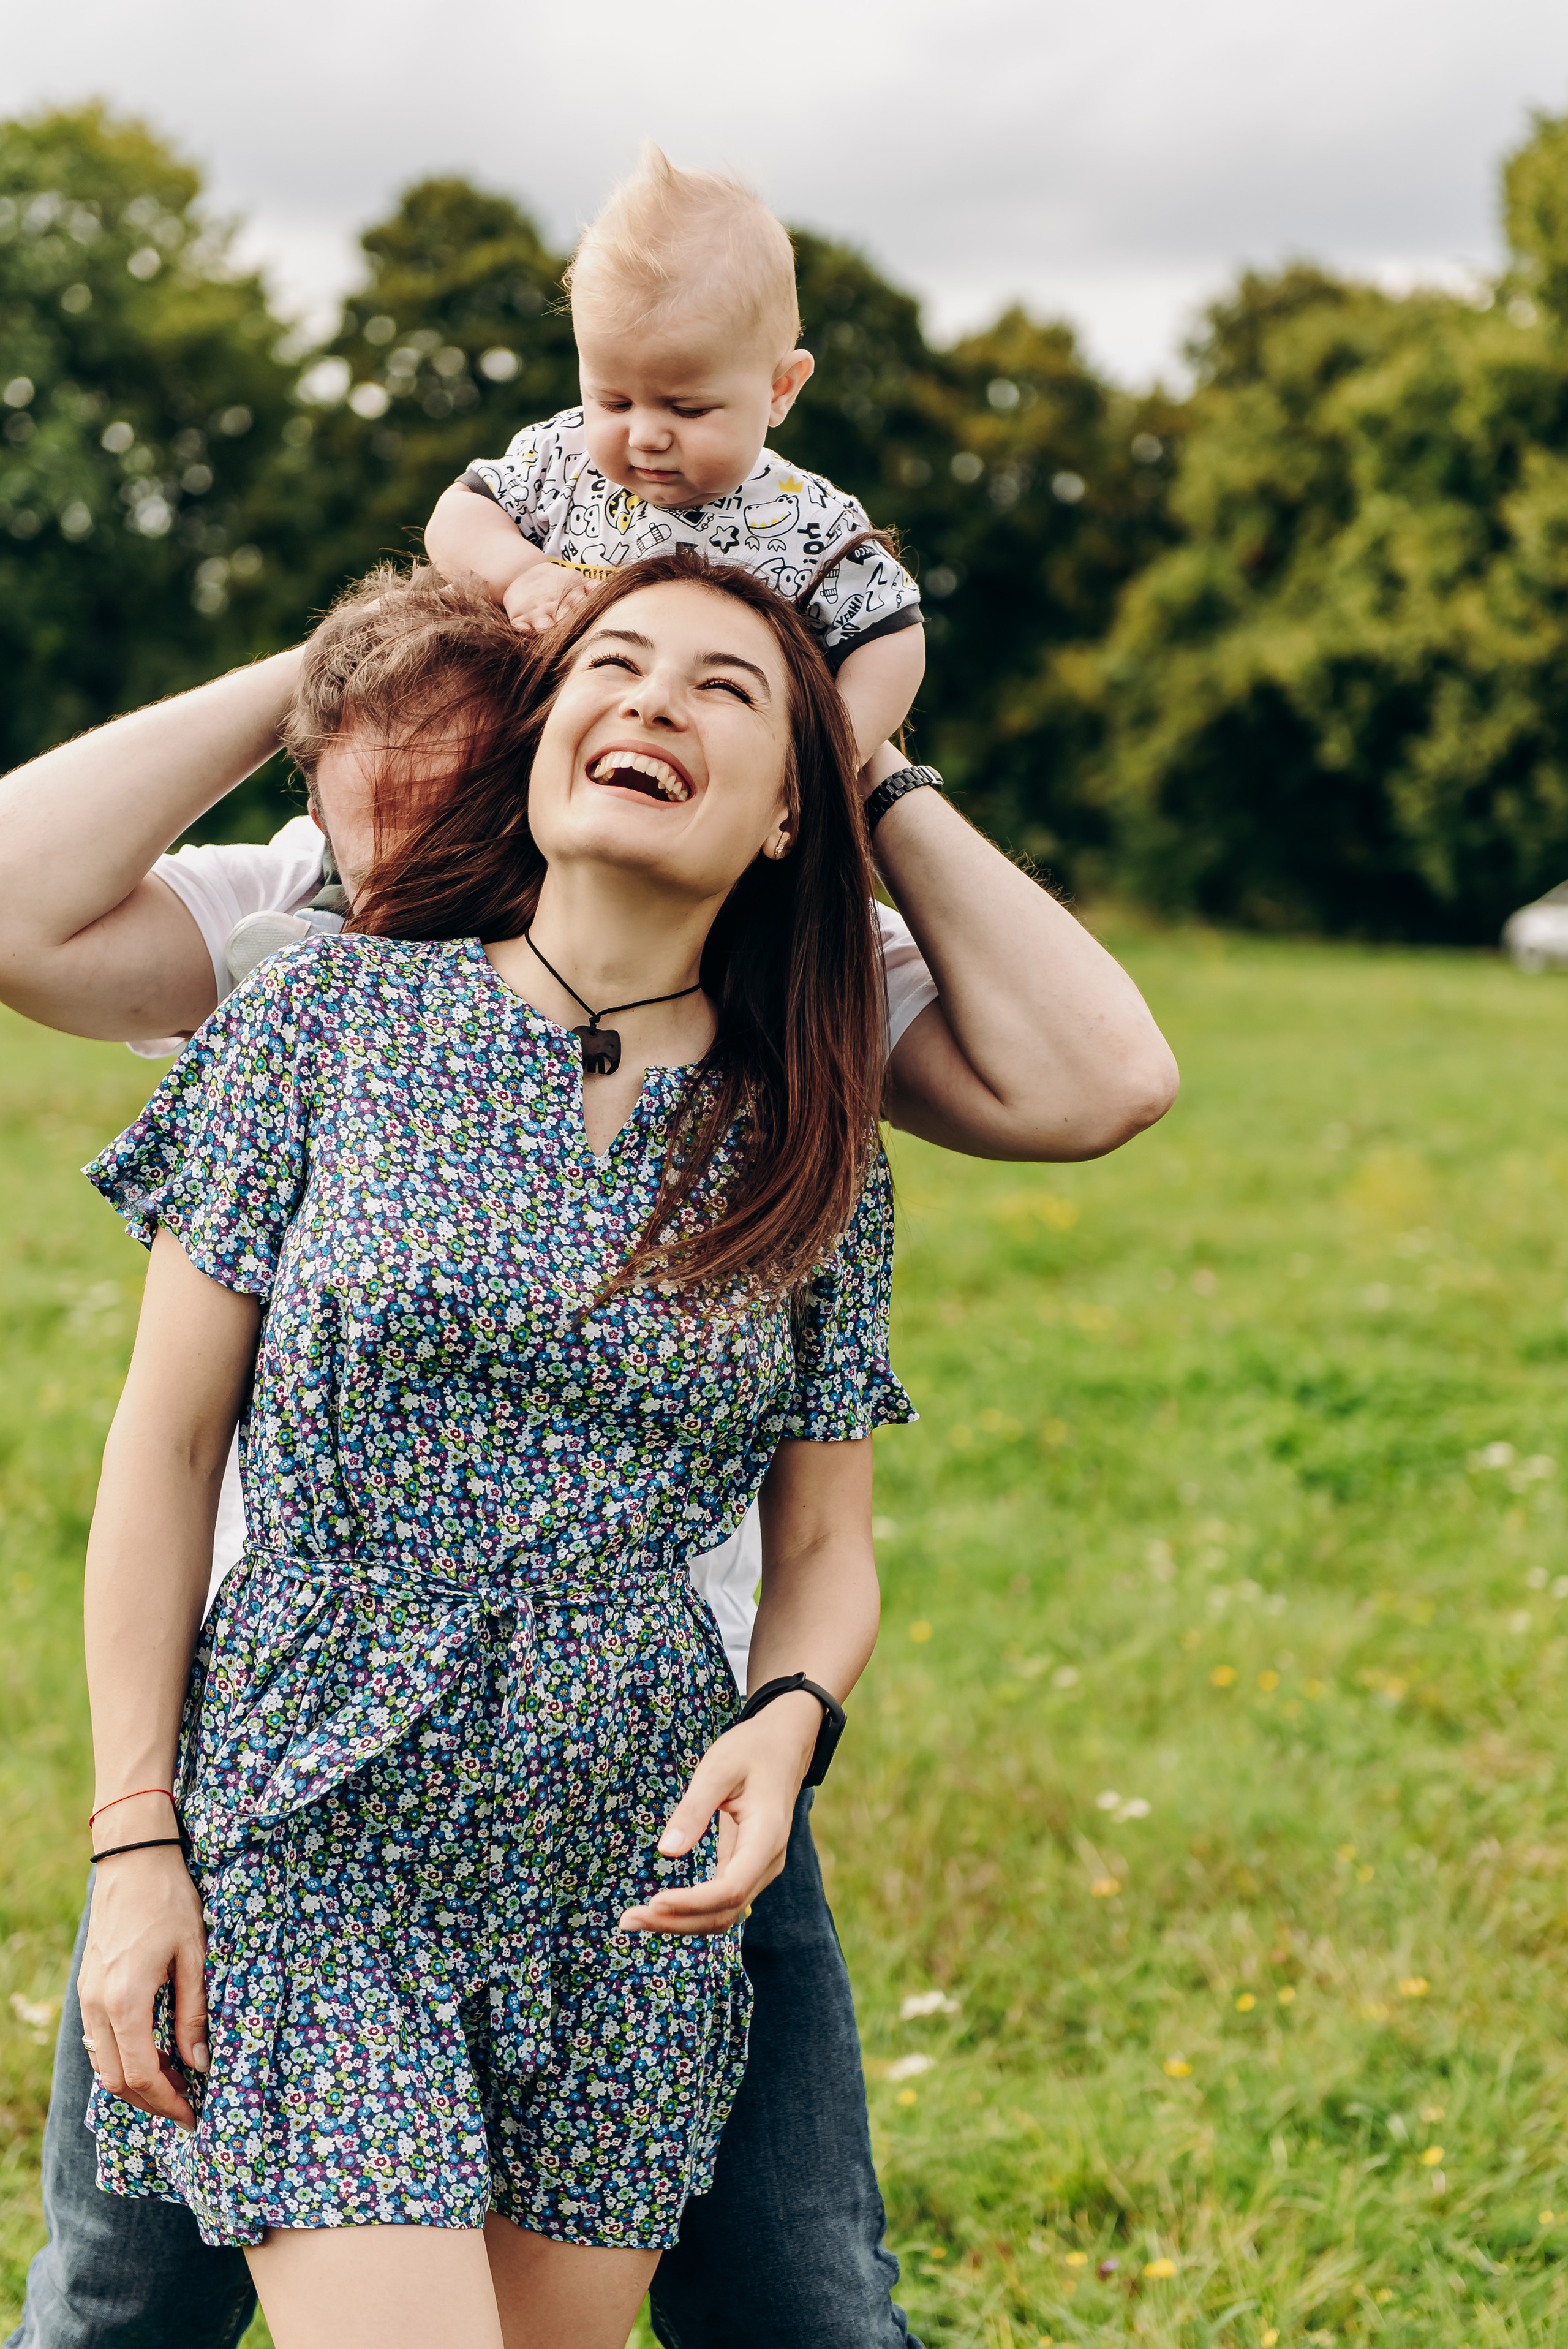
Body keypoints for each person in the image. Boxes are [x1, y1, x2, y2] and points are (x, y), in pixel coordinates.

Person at [0, 574, 1178, 2343]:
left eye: (724, 691)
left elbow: (829, 1543)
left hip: (633, 1852)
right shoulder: (319, 1018)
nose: (652, 704)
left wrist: (789, 1727)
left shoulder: (811, 1131)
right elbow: (162, 1454)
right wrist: (134, 1840)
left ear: (798, 808)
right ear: (545, 738)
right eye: (613, 669)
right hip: (317, 1819)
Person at [423, 145, 925, 766]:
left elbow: (892, 637)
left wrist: (831, 756)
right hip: (538, 774)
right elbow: (458, 515)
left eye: (686, 410)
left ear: (780, 390)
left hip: (710, 804)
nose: (645, 436)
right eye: (612, 401)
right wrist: (519, 572)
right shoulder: (562, 458)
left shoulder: (812, 523)